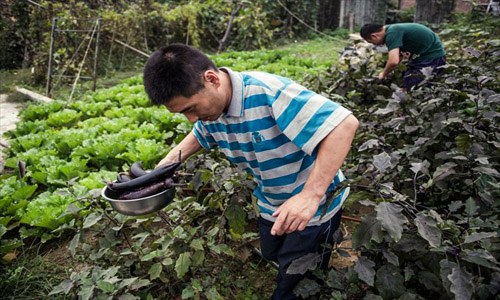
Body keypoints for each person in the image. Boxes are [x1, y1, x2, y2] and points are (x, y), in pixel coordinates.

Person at [143, 43, 359, 299]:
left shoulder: (268, 92)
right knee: (273, 253)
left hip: (314, 206)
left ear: (211, 79)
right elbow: (199, 137)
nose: (191, 118)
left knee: (296, 284)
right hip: (272, 200)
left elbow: (344, 125)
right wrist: (160, 170)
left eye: (190, 109)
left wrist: (309, 197)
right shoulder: (211, 111)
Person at [360, 23, 446, 91]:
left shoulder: (392, 33)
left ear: (374, 36)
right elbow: (398, 56)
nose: (374, 44)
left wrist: (383, 74)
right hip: (423, 57)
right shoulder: (391, 30)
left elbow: (393, 61)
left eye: (371, 42)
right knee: (407, 85)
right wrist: (390, 71)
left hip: (432, 58)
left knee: (413, 89)